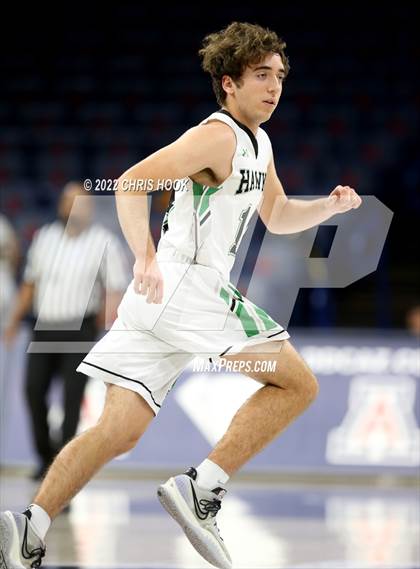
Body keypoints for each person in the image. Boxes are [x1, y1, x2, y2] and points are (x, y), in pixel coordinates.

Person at [0, 22, 362, 569]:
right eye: (260, 75)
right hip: (187, 284)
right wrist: (144, 257)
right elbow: (130, 183)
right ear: (228, 83)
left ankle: (28, 526)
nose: (274, 86)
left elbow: (279, 214)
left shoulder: (259, 143)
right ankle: (203, 488)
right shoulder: (216, 135)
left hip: (159, 304)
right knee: (297, 384)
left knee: (116, 432)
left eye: (280, 76)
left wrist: (328, 208)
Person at [2, 182, 127, 481]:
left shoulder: (104, 242)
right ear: (61, 206)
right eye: (69, 201)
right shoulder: (45, 238)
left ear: (90, 208)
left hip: (79, 329)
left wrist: (106, 329)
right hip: (44, 327)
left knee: (72, 400)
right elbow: (30, 284)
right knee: (33, 392)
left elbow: (114, 289)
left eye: (80, 203)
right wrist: (12, 321)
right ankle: (46, 457)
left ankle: (63, 468)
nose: (74, 208)